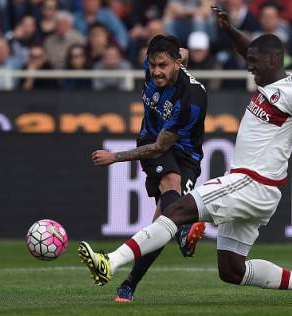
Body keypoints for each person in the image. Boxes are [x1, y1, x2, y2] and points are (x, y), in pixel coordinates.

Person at [78, 7, 292, 307]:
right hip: (257, 190)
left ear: (271, 60)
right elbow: (248, 50)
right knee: (232, 270)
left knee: (175, 211)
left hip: (252, 183)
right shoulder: (268, 80)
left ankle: (110, 262)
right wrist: (228, 29)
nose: (248, 66)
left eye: (253, 62)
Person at [86, 35, 208, 302]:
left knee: (161, 223)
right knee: (171, 184)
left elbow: (161, 147)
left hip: (183, 152)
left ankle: (129, 284)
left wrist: (114, 157)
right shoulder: (156, 68)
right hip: (150, 139)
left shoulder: (192, 99)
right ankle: (185, 231)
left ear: (176, 65)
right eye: (152, 64)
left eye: (162, 65)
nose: (155, 71)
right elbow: (182, 53)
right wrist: (178, 54)